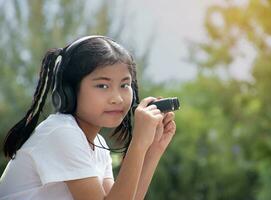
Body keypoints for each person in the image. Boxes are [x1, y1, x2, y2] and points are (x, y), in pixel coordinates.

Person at [0, 35, 176, 200]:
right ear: (69, 92)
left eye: (124, 85)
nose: (118, 98)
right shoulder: (61, 133)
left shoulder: (97, 145)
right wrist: (138, 143)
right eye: (102, 85)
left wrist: (153, 149)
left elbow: (125, 196)